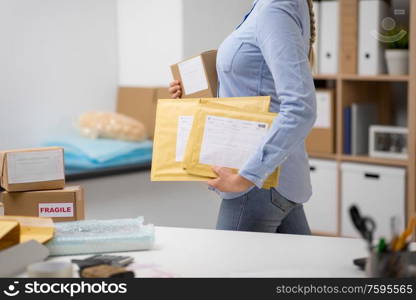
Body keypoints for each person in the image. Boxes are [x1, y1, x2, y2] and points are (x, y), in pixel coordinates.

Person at [169, 0, 317, 235]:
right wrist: (191, 93)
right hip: (274, 181)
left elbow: (301, 107)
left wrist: (246, 177)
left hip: (259, 184)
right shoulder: (269, 7)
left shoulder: (275, 9)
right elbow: (255, 86)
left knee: (229, 270)